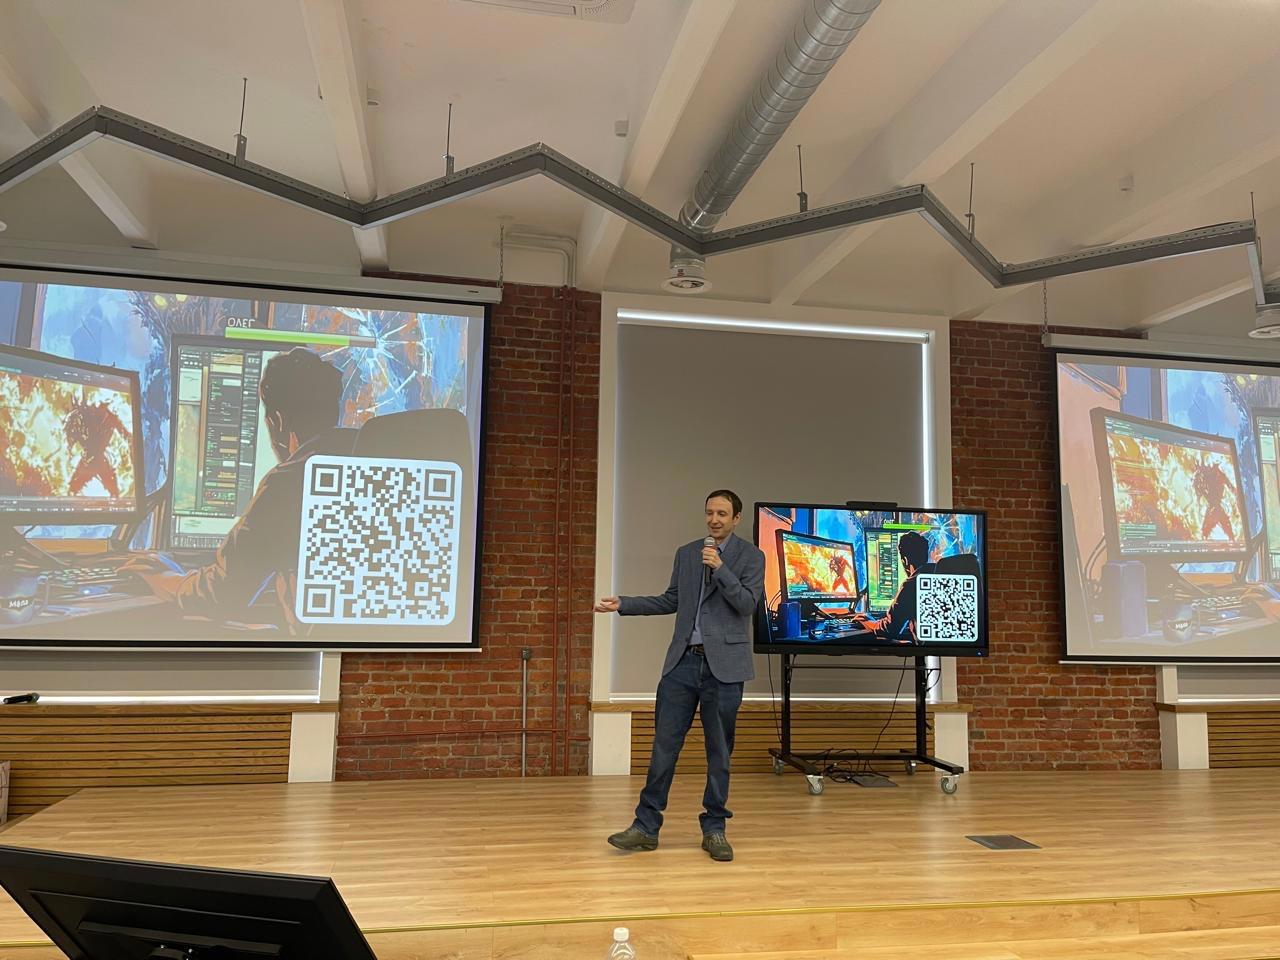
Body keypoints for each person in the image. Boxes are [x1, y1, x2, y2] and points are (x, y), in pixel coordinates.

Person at [125, 348, 356, 627]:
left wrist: (160, 575)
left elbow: (221, 594)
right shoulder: (369, 462)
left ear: (278, 421)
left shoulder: (290, 480)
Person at [595, 489, 765, 863]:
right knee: (663, 748)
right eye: (710, 512)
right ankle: (645, 827)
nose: (714, 519)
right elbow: (670, 600)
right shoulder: (687, 554)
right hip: (682, 665)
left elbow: (747, 604)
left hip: (724, 668)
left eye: (722, 513)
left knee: (719, 752)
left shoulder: (751, 557)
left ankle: (714, 829)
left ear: (736, 518)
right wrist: (625, 604)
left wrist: (720, 568)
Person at [852, 530, 933, 642]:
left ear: (905, 560)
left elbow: (889, 629)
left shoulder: (911, 584)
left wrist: (866, 621)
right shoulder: (938, 574)